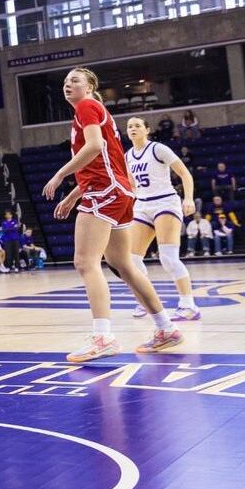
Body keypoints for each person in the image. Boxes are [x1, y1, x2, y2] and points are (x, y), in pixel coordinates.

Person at [41, 68, 174, 363]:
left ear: (90, 86)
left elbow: (94, 147)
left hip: (106, 192)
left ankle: (103, 337)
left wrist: (61, 175)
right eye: (64, 82)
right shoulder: (91, 111)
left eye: (74, 80)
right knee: (122, 263)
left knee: (85, 262)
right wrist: (74, 195)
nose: (67, 84)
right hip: (117, 191)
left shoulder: (88, 106)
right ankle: (166, 328)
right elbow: (103, 160)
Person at [123, 117, 200, 326]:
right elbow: (131, 186)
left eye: (138, 125)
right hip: (142, 205)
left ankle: (189, 305)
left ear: (147, 130)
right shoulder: (127, 155)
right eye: (130, 126)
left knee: (168, 258)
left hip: (165, 202)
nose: (133, 129)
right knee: (132, 259)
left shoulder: (158, 149)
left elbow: (184, 173)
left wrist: (189, 198)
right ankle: (146, 300)